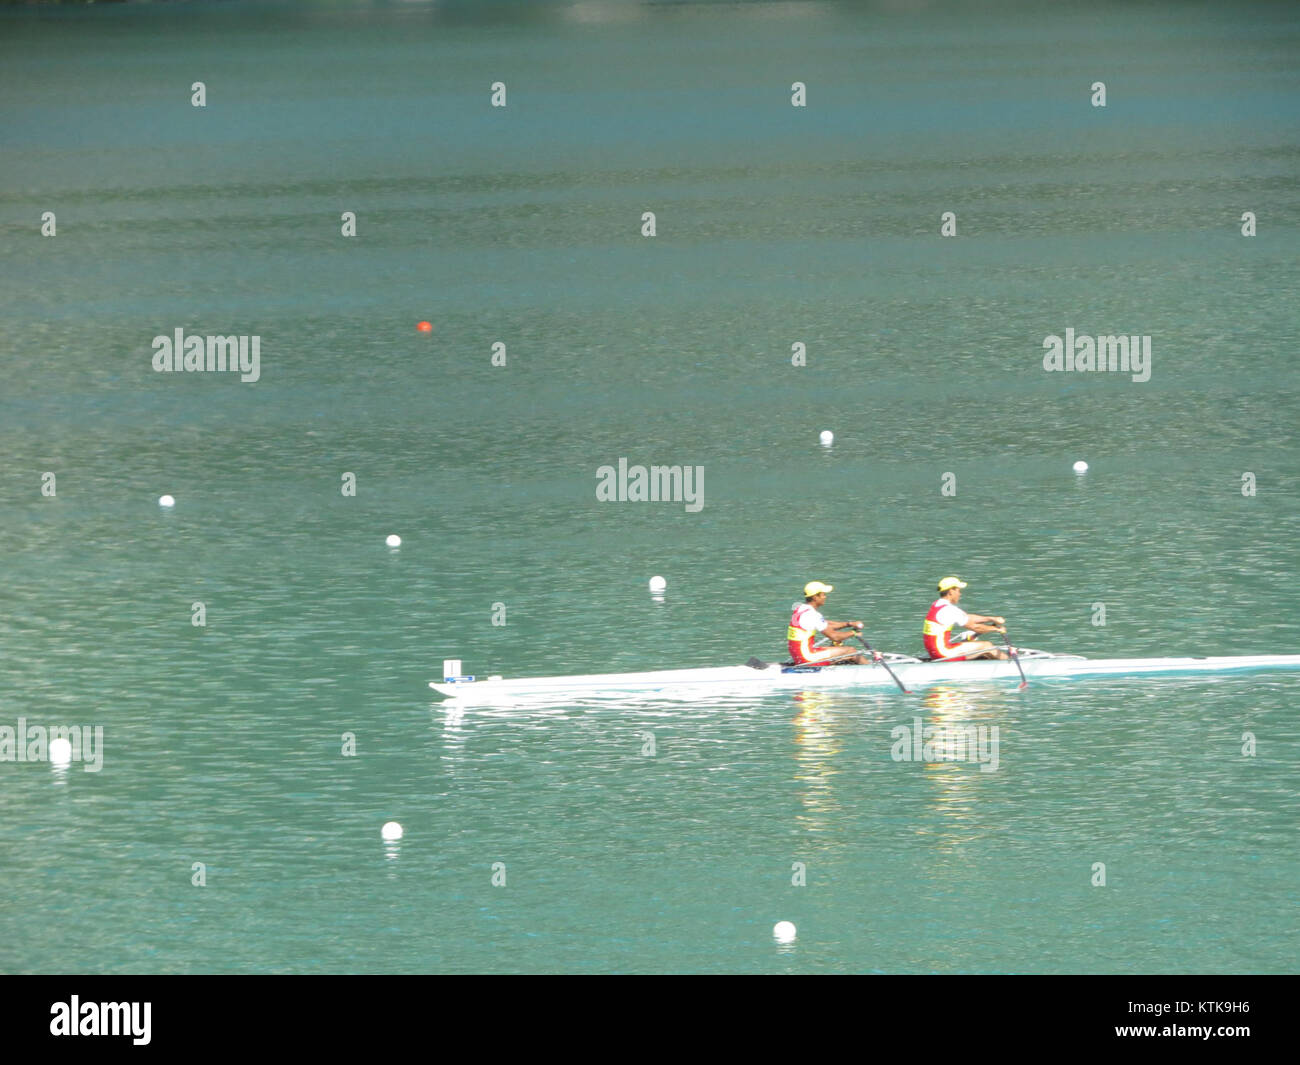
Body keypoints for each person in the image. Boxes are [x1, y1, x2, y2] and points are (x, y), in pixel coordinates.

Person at [922, 577, 1010, 661]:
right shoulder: (949, 610)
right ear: (951, 591)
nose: (960, 594)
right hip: (943, 654)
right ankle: (1010, 663)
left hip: (935, 652)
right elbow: (976, 628)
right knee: (986, 646)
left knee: (980, 650)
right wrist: (996, 629)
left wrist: (991, 618)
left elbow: (967, 618)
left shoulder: (937, 604)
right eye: (958, 590)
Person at [787, 582, 868, 665]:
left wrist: (849, 624)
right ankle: (871, 669)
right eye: (823, 594)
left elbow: (826, 624)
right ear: (815, 597)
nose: (825, 597)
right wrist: (854, 633)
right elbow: (835, 637)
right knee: (851, 651)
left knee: (837, 647)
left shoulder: (801, 608)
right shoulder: (812, 614)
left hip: (798, 655)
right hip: (807, 657)